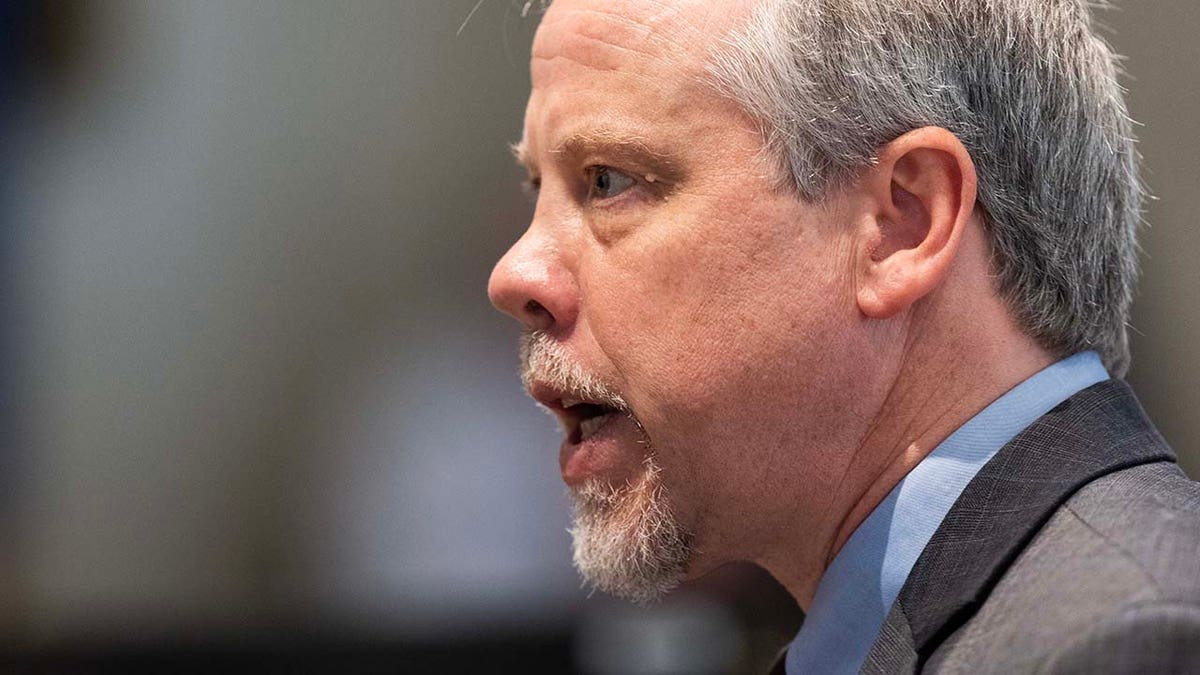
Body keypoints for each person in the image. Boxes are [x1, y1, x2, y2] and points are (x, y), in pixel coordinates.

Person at [487, 0, 1200, 672]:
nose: (514, 274)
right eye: (534, 189)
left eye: (607, 180)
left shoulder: (1128, 640)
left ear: (902, 225)